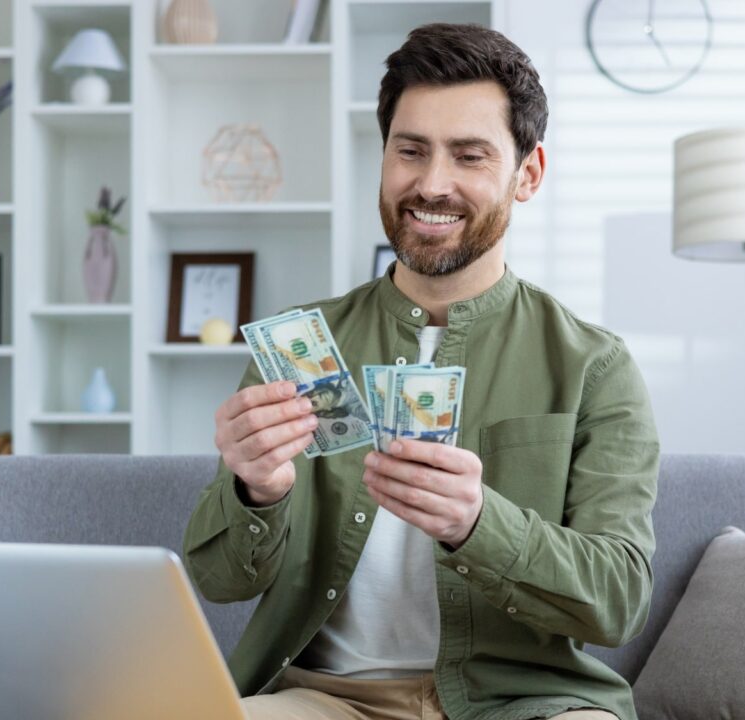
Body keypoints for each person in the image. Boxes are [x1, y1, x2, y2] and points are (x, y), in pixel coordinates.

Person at [184, 22, 660, 720]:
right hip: (323, 699)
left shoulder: (596, 367)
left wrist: (478, 522)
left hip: (523, 703)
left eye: (469, 156)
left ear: (527, 174)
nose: (432, 184)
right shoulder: (294, 346)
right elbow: (218, 581)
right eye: (411, 151)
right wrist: (256, 492)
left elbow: (617, 602)